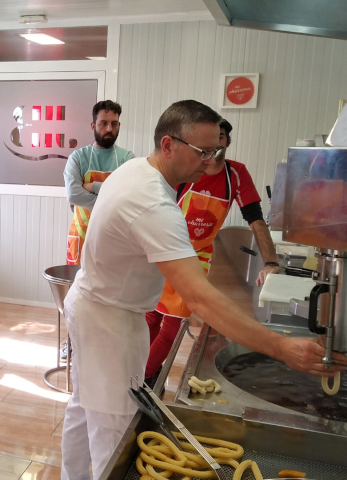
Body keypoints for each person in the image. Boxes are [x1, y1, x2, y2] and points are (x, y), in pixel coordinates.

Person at [60, 100, 347, 480]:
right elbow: (199, 297)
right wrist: (280, 347)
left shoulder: (135, 170)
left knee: (84, 407)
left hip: (94, 305)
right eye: (203, 152)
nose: (211, 161)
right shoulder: (153, 203)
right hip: (109, 321)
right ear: (168, 145)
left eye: (216, 150)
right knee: (113, 431)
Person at [144, 118, 279, 386]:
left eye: (220, 138)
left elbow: (255, 219)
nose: (213, 149)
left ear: (226, 141)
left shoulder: (235, 174)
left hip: (194, 259)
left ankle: (142, 378)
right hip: (165, 251)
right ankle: (141, 370)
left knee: (172, 326)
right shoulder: (187, 170)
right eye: (206, 144)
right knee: (151, 316)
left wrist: (271, 261)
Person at [64, 100, 135, 266]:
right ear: (93, 125)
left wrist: (92, 186)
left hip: (116, 239)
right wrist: (113, 200)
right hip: (82, 236)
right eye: (103, 123)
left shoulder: (128, 159)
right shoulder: (78, 158)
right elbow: (74, 194)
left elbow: (130, 196)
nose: (109, 129)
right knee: (78, 289)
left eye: (114, 124)